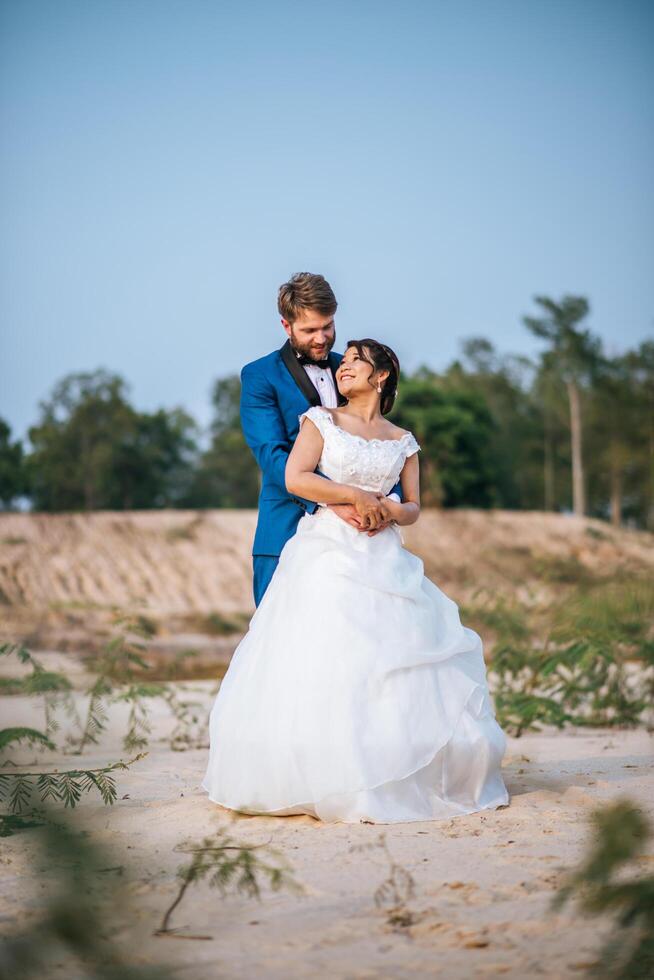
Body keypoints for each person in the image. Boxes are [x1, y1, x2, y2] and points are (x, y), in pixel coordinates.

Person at [201, 337, 510, 824]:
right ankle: (320, 771)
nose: (343, 369)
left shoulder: (403, 441)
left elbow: (412, 507)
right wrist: (349, 497)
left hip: (384, 556)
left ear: (381, 376)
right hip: (326, 550)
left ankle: (401, 767)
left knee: (393, 657)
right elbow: (297, 477)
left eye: (354, 363)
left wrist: (387, 509)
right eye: (342, 363)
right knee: (329, 653)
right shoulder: (320, 421)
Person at [239, 271, 403, 607]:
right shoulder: (259, 376)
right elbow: (272, 457)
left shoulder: (353, 367)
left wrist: (390, 501)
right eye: (309, 330)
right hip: (287, 530)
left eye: (327, 327)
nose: (321, 338)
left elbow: (380, 442)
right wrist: (338, 502)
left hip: (362, 541)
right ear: (287, 327)